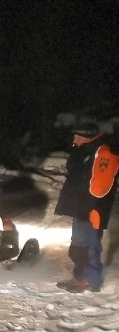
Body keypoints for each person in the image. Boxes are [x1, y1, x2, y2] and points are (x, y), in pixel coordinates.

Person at [54, 122, 119, 293]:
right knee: (77, 246)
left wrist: (90, 208)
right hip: (80, 207)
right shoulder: (85, 151)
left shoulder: (103, 154)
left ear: (90, 136)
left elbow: (100, 187)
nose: (74, 139)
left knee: (89, 247)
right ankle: (80, 276)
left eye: (78, 136)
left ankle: (91, 280)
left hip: (92, 209)